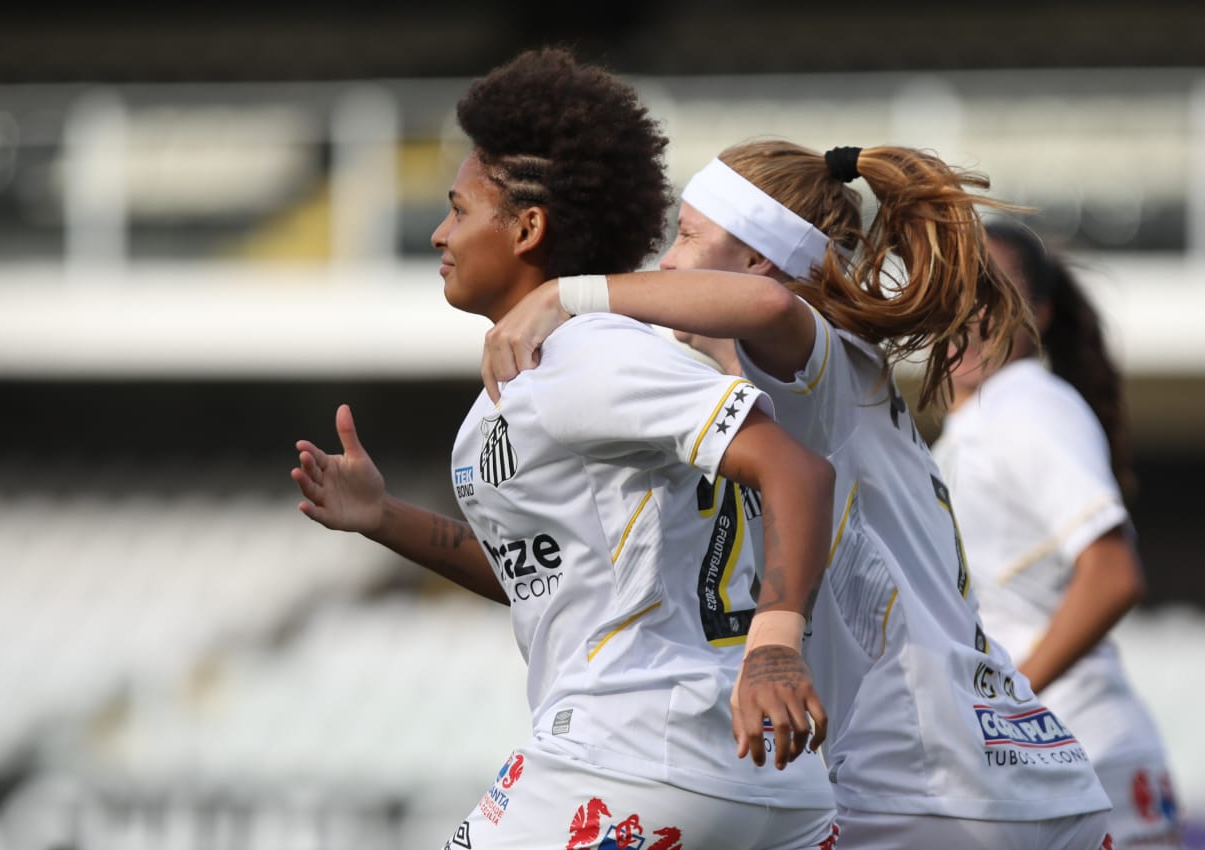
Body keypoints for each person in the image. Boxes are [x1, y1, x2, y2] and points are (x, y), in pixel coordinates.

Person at [481, 140, 1115, 848]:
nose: (667, 261)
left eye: (688, 236)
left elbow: (771, 306)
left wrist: (566, 292)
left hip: (924, 786)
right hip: (1034, 774)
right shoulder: (843, 379)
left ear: (758, 257)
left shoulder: (814, 364)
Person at [292, 50, 840, 850]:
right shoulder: (541, 376)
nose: (441, 232)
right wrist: (383, 518)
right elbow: (544, 578)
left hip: (634, 753)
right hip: (762, 779)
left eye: (457, 208)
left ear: (527, 228)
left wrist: (776, 647)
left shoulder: (596, 352)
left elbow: (796, 470)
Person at [930, 218, 1183, 848]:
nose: (968, 311)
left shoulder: (1025, 405)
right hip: (1051, 765)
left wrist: (1001, 708)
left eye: (992, 293)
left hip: (1081, 759)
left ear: (1036, 314)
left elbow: (1114, 574)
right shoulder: (969, 430)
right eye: (952, 289)